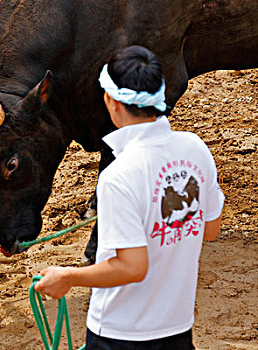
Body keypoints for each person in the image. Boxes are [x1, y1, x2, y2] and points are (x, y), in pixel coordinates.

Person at [34, 45, 225, 349]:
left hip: (120, 333)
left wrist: (68, 276)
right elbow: (210, 229)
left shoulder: (119, 175)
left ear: (111, 101)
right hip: (176, 328)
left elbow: (133, 267)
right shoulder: (196, 149)